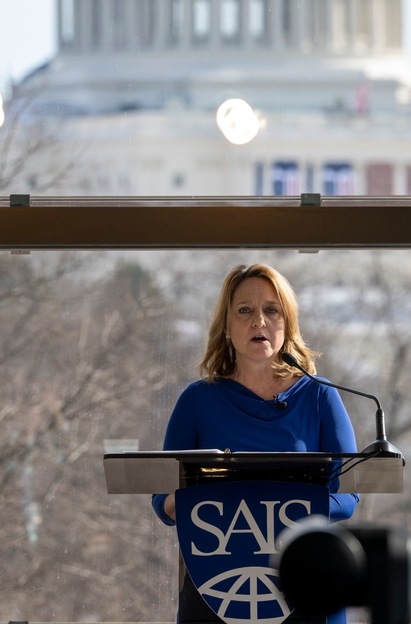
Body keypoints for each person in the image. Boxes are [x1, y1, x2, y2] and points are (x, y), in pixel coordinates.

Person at [151, 262, 359, 622]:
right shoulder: (197, 401)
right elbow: (161, 501)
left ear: (287, 324)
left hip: (307, 582)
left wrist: (284, 505)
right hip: (218, 588)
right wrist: (210, 502)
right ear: (227, 327)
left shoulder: (321, 397)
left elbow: (349, 496)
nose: (258, 321)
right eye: (244, 310)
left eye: (271, 310)